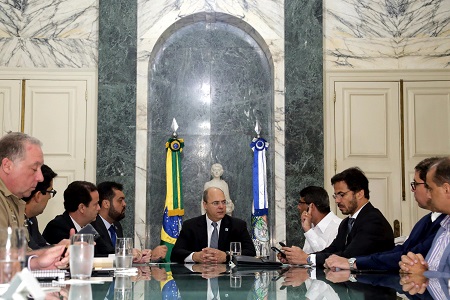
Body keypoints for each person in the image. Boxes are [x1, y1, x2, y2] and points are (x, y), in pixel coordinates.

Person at [325, 157, 445, 271]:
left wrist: (353, 262)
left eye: (416, 184)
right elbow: (402, 251)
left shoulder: (372, 220)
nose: (412, 190)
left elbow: (411, 256)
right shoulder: (425, 221)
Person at [280, 167, 394, 267]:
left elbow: (348, 256)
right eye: (336, 196)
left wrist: (307, 259)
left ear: (359, 193)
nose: (337, 201)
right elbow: (333, 250)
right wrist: (299, 258)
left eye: (342, 195)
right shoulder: (346, 223)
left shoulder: (373, 220)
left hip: (375, 288)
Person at [0, 132, 68, 270]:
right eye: (34, 168)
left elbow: (22, 255)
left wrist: (55, 252)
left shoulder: (14, 201)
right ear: (7, 165)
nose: (40, 178)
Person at [171, 187, 256, 263]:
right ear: (205, 205)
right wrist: (195, 256)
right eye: (216, 203)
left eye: (223, 202)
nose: (221, 206)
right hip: (199, 277)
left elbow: (251, 252)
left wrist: (227, 256)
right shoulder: (190, 226)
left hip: (227, 278)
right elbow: (175, 254)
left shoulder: (237, 226)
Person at [92, 181, 167, 262]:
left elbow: (118, 255)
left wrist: (141, 256)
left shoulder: (117, 226)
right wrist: (129, 255)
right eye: (120, 200)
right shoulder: (93, 226)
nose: (124, 204)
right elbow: (101, 255)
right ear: (106, 204)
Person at [400, 157, 450, 275]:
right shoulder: (445, 225)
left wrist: (424, 274)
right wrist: (420, 270)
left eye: (430, 189)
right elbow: (434, 266)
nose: (428, 194)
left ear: (446, 189)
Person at [23, 164, 58, 249]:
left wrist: (63, 247)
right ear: (38, 195)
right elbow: (33, 251)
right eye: (50, 192)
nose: (50, 197)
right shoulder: (15, 218)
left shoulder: (31, 218)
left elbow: (41, 245)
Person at [298, 186, 342, 253]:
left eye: (300, 203)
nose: (298, 207)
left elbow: (327, 257)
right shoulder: (312, 226)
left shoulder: (338, 226)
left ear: (311, 206)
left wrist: (308, 230)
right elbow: (308, 257)